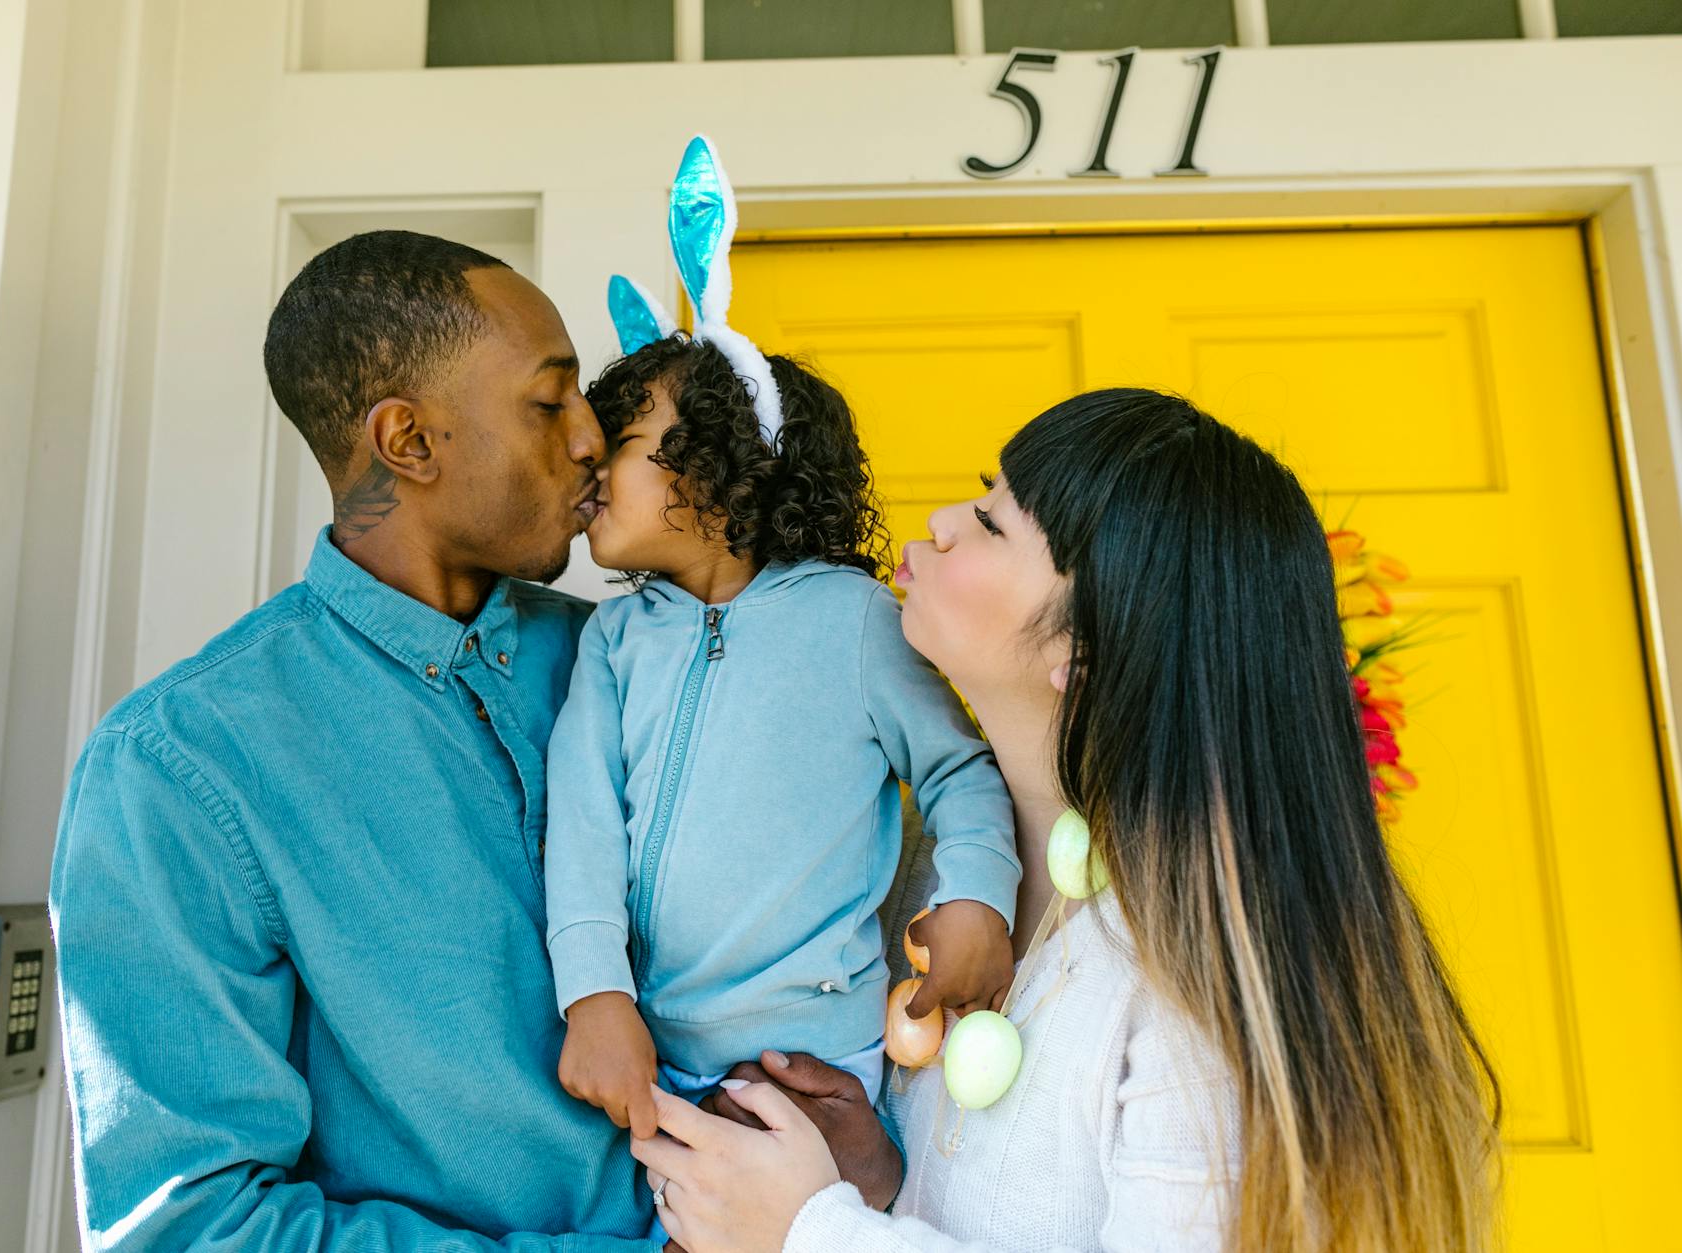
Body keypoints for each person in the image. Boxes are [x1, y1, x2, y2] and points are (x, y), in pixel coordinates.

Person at [48, 230, 897, 1250]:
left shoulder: (645, 662)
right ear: (408, 441)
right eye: (551, 401)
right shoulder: (179, 769)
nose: (593, 440)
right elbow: (195, 1226)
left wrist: (869, 1163)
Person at [631, 388, 1502, 1253]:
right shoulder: (915, 857)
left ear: (1084, 649)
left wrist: (811, 1229)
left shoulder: (1194, 988)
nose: (941, 522)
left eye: (992, 523)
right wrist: (875, 1176)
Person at [544, 332, 1020, 1160]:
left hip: (818, 1062)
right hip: (649, 1057)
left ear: (725, 464)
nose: (593, 467)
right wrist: (593, 996)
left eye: (624, 443)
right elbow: (582, 829)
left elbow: (958, 768)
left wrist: (980, 897)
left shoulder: (858, 621)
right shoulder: (614, 639)